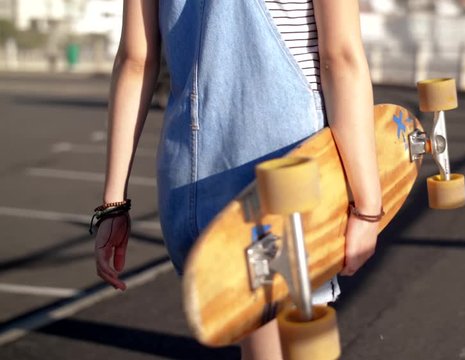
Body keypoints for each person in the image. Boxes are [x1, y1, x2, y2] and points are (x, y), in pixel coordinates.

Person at [91, 1, 382, 359]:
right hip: (284, 177)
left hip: (188, 181)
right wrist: (369, 208)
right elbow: (340, 59)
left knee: (258, 340)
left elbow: (136, 62)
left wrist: (113, 206)